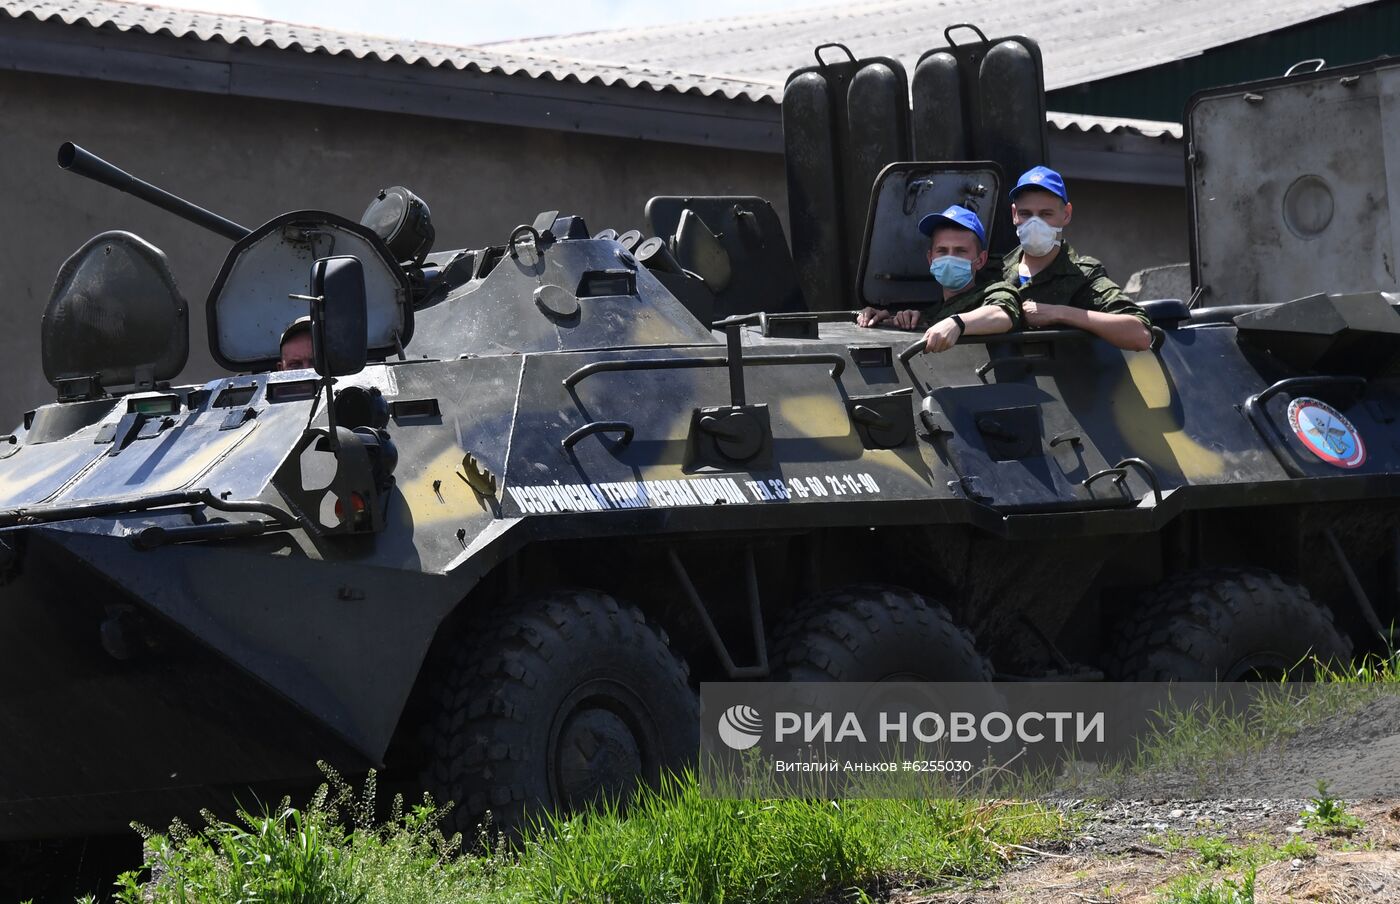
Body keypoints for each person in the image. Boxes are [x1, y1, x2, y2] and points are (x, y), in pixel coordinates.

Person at [1002, 166, 1153, 352]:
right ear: (1014, 214)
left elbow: (1140, 335)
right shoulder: (994, 272)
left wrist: (1059, 313)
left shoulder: (1083, 276)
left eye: (1045, 214)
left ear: (1066, 214)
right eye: (1026, 214)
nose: (1035, 223)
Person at [857, 204, 1021, 354]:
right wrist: (887, 319)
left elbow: (1003, 314)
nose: (950, 258)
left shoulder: (994, 291)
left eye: (960, 251)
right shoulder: (937, 310)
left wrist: (957, 324)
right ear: (930, 259)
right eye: (942, 251)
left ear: (980, 260)